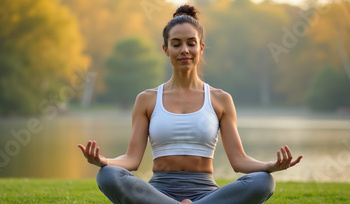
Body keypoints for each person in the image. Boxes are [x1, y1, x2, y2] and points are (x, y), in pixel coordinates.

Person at [78, 4, 303, 204]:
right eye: (176, 44)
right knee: (107, 175)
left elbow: (239, 160)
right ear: (166, 50)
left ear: (201, 48)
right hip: (158, 194)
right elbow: (132, 159)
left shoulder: (220, 99)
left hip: (207, 195)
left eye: (191, 43)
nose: (184, 50)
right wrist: (104, 160)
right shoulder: (147, 99)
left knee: (263, 182)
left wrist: (269, 166)